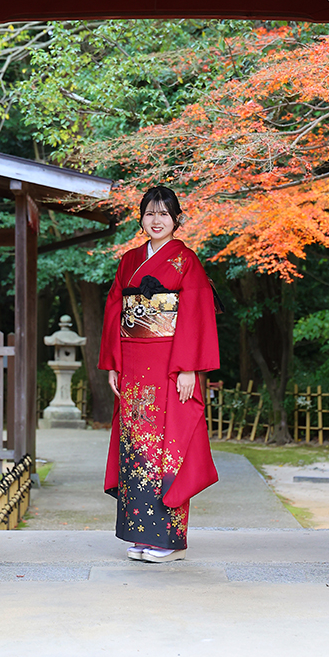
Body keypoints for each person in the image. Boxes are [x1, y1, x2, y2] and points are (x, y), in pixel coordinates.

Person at [99, 185, 220, 563]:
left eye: (164, 214)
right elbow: (114, 311)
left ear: (176, 219)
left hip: (170, 363)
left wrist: (189, 369)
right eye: (150, 213)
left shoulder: (186, 261)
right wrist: (114, 363)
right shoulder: (129, 261)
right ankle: (141, 534)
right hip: (134, 364)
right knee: (136, 447)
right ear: (141, 219)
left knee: (169, 447)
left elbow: (196, 315)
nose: (156, 220)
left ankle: (169, 541)